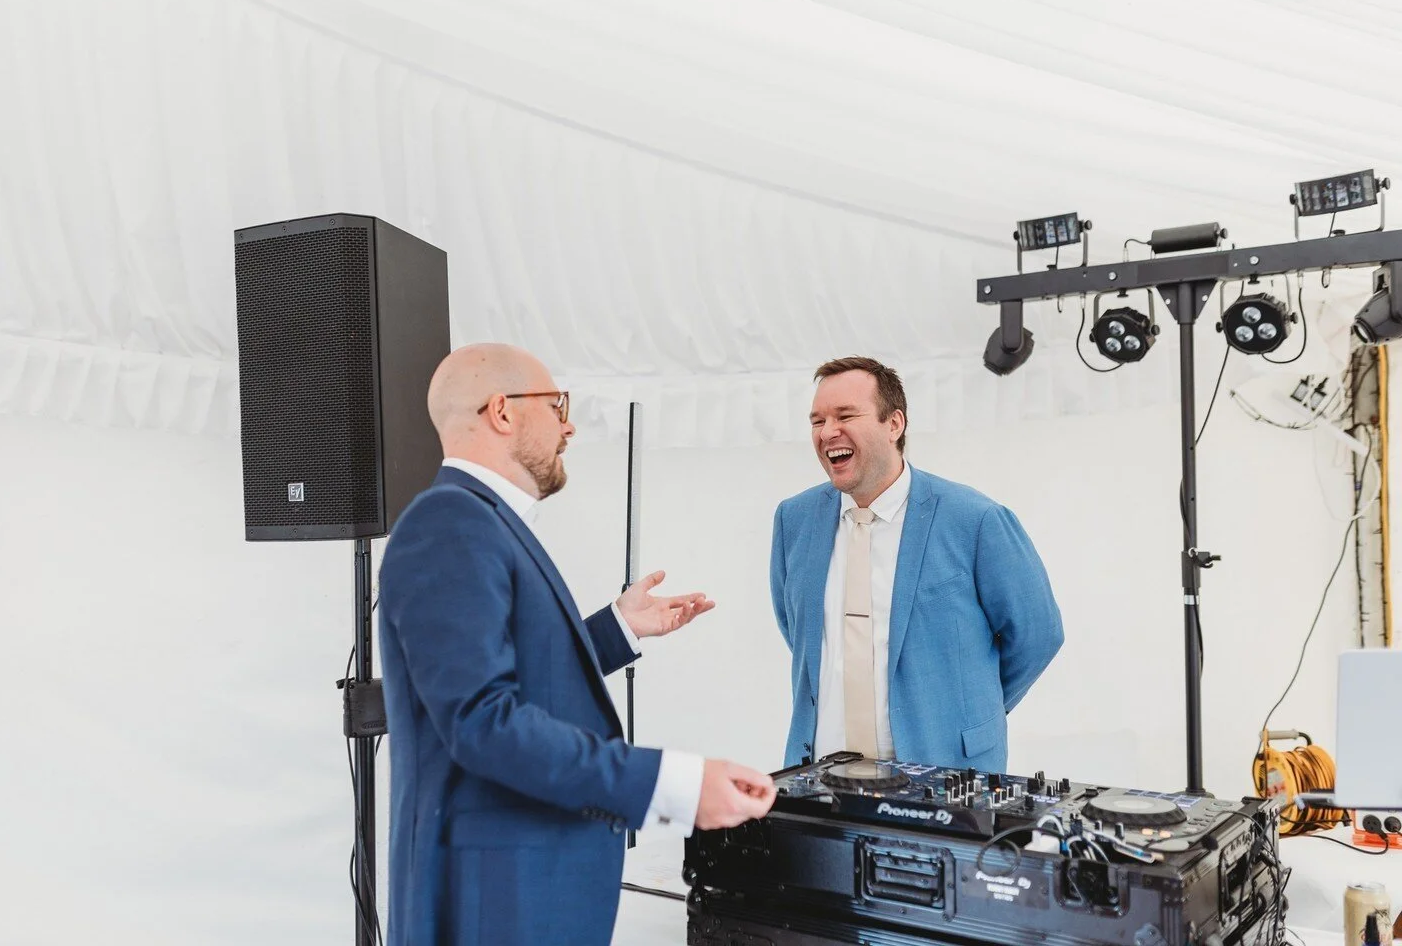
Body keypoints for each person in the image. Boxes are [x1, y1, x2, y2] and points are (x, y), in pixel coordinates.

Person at [378, 343, 776, 945]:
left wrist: (617, 628)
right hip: (494, 908)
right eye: (557, 405)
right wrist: (677, 788)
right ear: (502, 412)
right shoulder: (450, 523)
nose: (569, 425)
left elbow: (508, 672)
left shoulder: (482, 521)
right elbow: (483, 722)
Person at [770, 356, 1063, 774]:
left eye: (845, 415)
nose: (827, 432)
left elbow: (1037, 635)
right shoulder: (792, 520)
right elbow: (798, 630)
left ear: (895, 424)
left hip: (945, 776)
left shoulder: (975, 519)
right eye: (817, 421)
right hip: (820, 779)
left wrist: (967, 715)